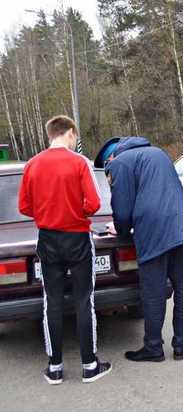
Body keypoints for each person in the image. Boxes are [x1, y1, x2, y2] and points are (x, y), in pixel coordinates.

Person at [18, 115, 111, 385]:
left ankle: (55, 367)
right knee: (84, 300)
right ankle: (89, 365)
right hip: (78, 237)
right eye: (75, 136)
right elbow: (93, 204)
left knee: (52, 302)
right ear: (69, 132)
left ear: (50, 134)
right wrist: (73, 211)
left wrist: (47, 212)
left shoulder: (33, 164)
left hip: (47, 239)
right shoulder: (78, 162)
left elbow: (24, 206)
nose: (75, 140)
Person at [94, 136, 183, 363]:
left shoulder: (119, 163)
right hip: (181, 227)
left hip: (154, 232)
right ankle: (181, 344)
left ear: (109, 158)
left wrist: (121, 231)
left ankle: (153, 347)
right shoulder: (158, 152)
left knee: (153, 292)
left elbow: (122, 207)